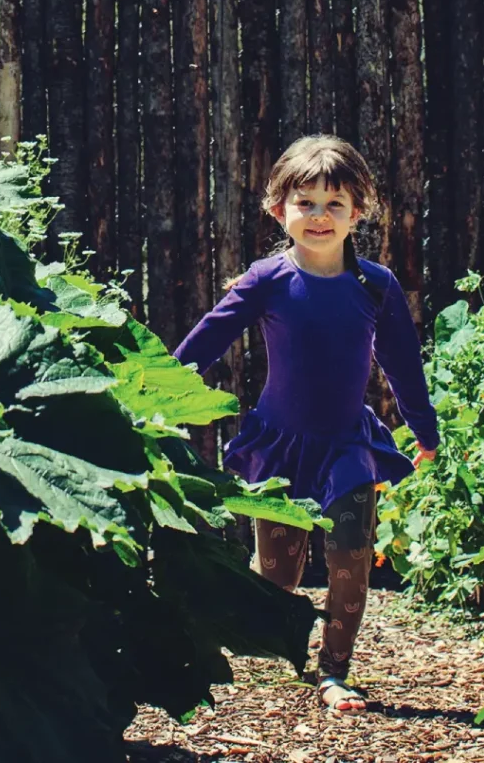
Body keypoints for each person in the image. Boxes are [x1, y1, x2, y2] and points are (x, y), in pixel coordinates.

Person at [171, 134, 440, 714]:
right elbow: (206, 341)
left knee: (350, 561)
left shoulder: (376, 285)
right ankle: (277, 651)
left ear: (357, 213)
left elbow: (401, 361)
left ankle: (334, 671)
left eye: (334, 204)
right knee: (279, 571)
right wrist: (158, 393)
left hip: (347, 446)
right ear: (279, 210)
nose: (320, 216)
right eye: (306, 203)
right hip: (281, 447)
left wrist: (424, 429)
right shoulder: (266, 280)